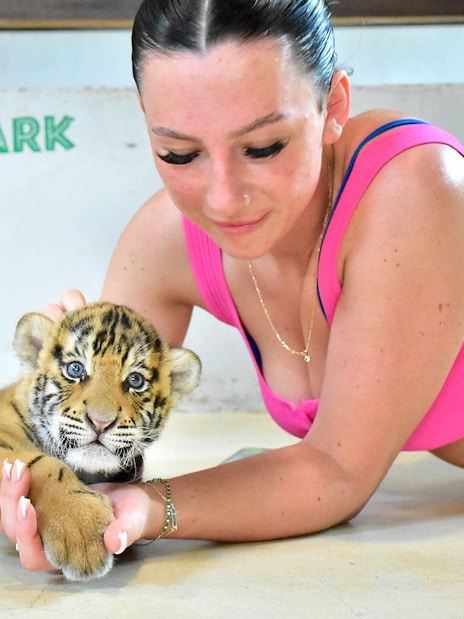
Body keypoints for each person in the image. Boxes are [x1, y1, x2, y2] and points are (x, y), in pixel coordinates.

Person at [1, 0, 464, 574]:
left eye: (263, 147)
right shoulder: (162, 243)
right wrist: (49, 465)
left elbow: (336, 471)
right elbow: (100, 447)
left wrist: (147, 508)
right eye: (180, 152)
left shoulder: (416, 190)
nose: (222, 198)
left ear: (335, 105)